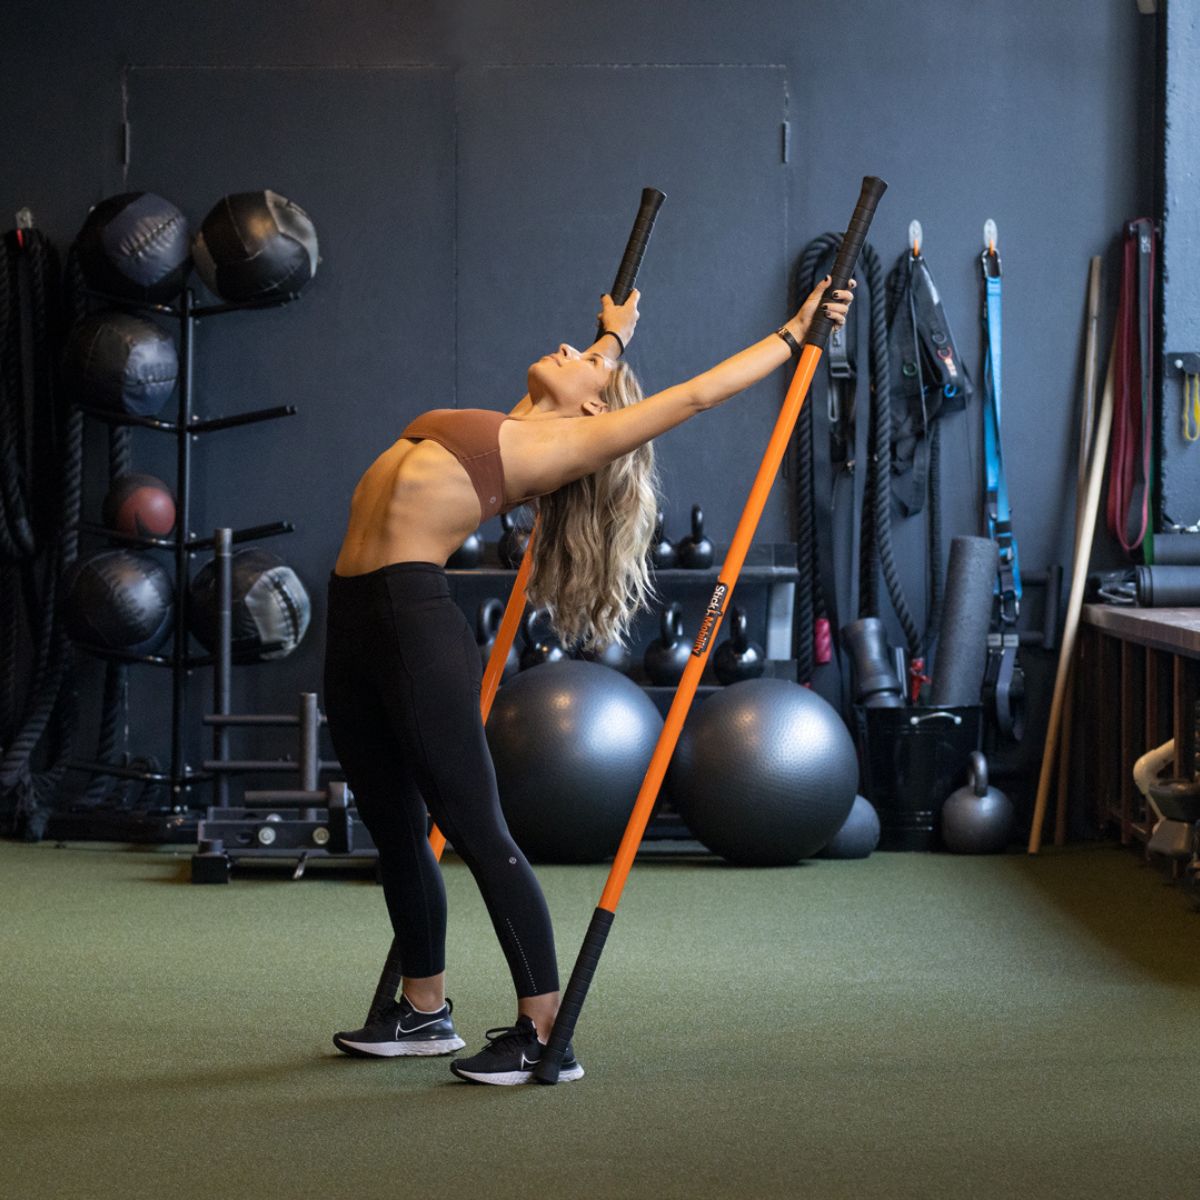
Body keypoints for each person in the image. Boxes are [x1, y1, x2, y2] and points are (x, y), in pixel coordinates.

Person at [323, 276, 854, 1085]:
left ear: (593, 419)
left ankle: (542, 1030)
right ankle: (422, 1011)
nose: (575, 352)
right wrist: (616, 336)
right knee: (394, 828)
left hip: (408, 622)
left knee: (474, 826)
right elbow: (590, 369)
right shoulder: (523, 420)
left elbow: (695, 396)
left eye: (592, 366)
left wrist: (792, 335)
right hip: (353, 617)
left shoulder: (557, 446)